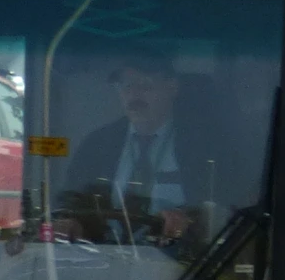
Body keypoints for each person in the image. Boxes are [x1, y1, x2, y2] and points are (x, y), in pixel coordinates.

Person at [57, 50, 235, 247]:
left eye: (145, 86)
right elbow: (74, 199)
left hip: (180, 264)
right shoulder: (98, 143)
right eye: (127, 86)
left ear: (172, 88)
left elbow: (225, 204)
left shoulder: (204, 145)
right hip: (105, 258)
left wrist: (188, 219)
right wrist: (72, 223)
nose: (134, 96)